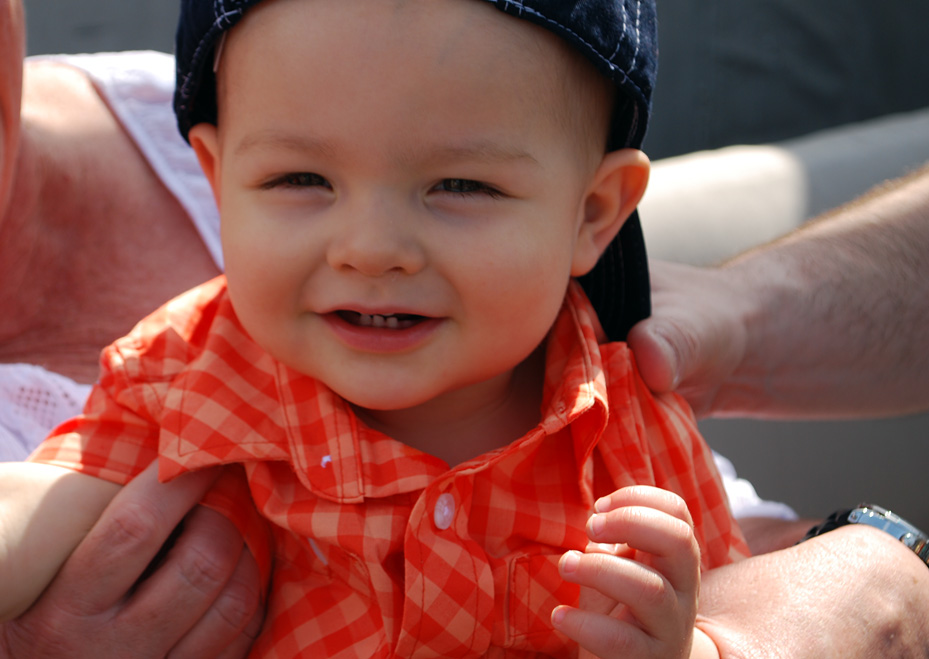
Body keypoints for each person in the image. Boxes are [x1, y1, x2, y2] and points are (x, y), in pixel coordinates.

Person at [2, 0, 753, 656]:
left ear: (592, 212)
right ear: (216, 177)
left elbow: (742, 613)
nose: (369, 248)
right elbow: (54, 502)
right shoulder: (192, 377)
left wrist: (688, 646)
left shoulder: (626, 429)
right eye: (300, 179)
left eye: (460, 185)